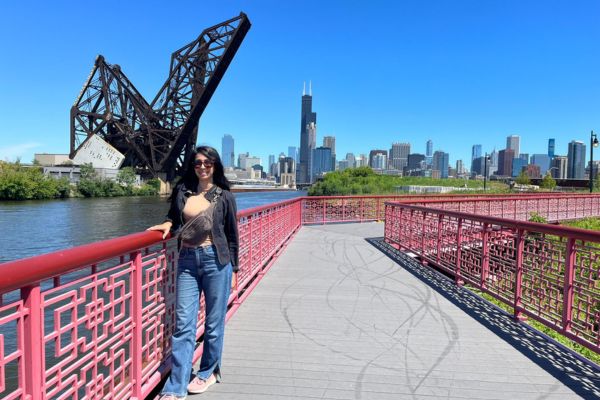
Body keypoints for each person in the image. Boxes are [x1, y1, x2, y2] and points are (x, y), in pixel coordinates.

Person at [148, 146, 239, 400]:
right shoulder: (182, 191)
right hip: (187, 260)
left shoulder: (224, 196)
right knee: (183, 325)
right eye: (198, 163)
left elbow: (232, 235)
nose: (202, 167)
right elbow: (174, 218)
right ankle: (176, 387)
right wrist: (167, 223)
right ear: (192, 165)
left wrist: (234, 269)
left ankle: (208, 372)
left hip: (216, 260)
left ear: (215, 166)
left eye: (207, 163)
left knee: (213, 323)